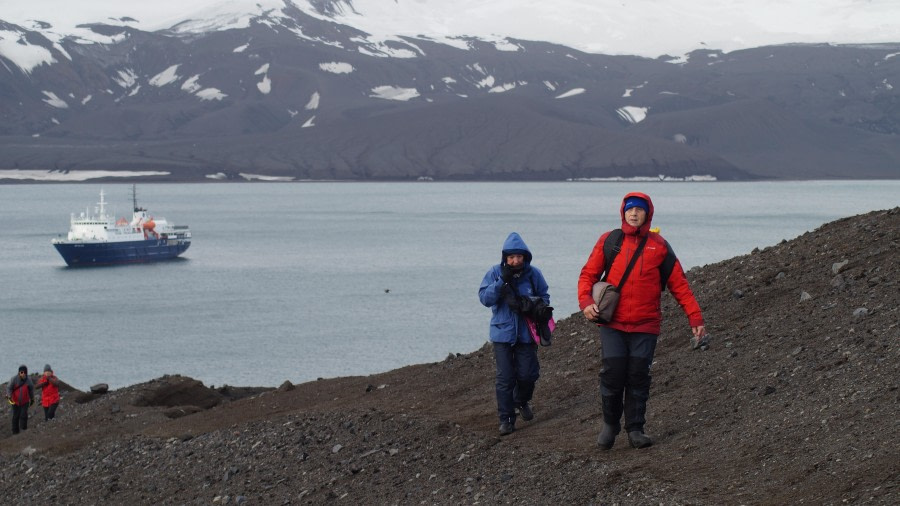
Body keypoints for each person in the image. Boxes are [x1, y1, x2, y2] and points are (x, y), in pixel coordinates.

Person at [578, 192, 706, 450]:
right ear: (623, 212)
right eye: (629, 209)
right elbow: (588, 275)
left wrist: (694, 316)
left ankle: (636, 428)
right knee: (613, 374)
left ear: (648, 214)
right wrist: (586, 303)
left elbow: (679, 284)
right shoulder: (610, 241)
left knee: (638, 376)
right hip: (612, 323)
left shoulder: (659, 246)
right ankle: (610, 424)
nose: (634, 214)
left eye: (639, 210)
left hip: (645, 325)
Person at [479, 232, 551, 436]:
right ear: (505, 258)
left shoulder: (533, 274)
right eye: (511, 257)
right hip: (502, 333)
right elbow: (485, 298)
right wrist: (502, 281)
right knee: (505, 378)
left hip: (527, 333)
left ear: (525, 256)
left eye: (519, 256)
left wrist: (536, 305)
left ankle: (521, 400)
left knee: (529, 374)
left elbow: (544, 295)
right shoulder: (495, 273)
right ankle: (506, 419)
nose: (515, 260)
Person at [6, 365, 34, 435]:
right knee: (16, 416)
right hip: (15, 401)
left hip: (25, 401)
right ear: (19, 372)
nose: (23, 374)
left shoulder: (29, 380)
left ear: (26, 373)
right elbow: (9, 388)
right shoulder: (14, 379)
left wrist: (32, 399)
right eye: (21, 372)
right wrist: (9, 397)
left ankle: (24, 430)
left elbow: (31, 390)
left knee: (23, 415)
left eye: (24, 372)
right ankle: (15, 432)